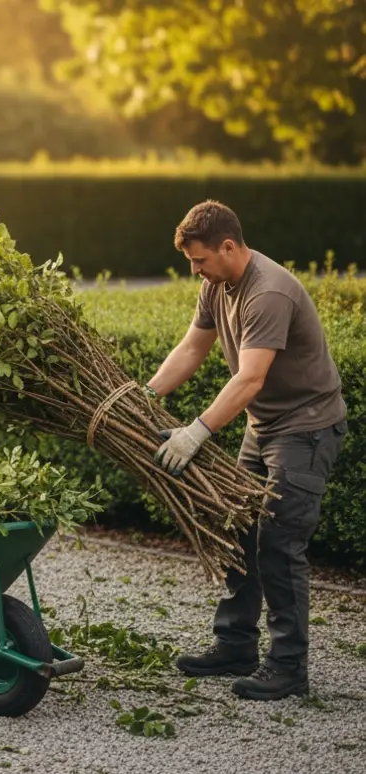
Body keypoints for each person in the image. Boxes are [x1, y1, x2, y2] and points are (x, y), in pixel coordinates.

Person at [145, 199, 347, 701]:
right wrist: (146, 396)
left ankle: (288, 667)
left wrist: (196, 432)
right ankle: (235, 644)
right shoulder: (216, 286)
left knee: (279, 546)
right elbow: (192, 347)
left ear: (229, 246)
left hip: (305, 428)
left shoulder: (269, 292)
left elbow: (250, 378)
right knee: (236, 530)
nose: (194, 270)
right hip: (265, 428)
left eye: (199, 260)